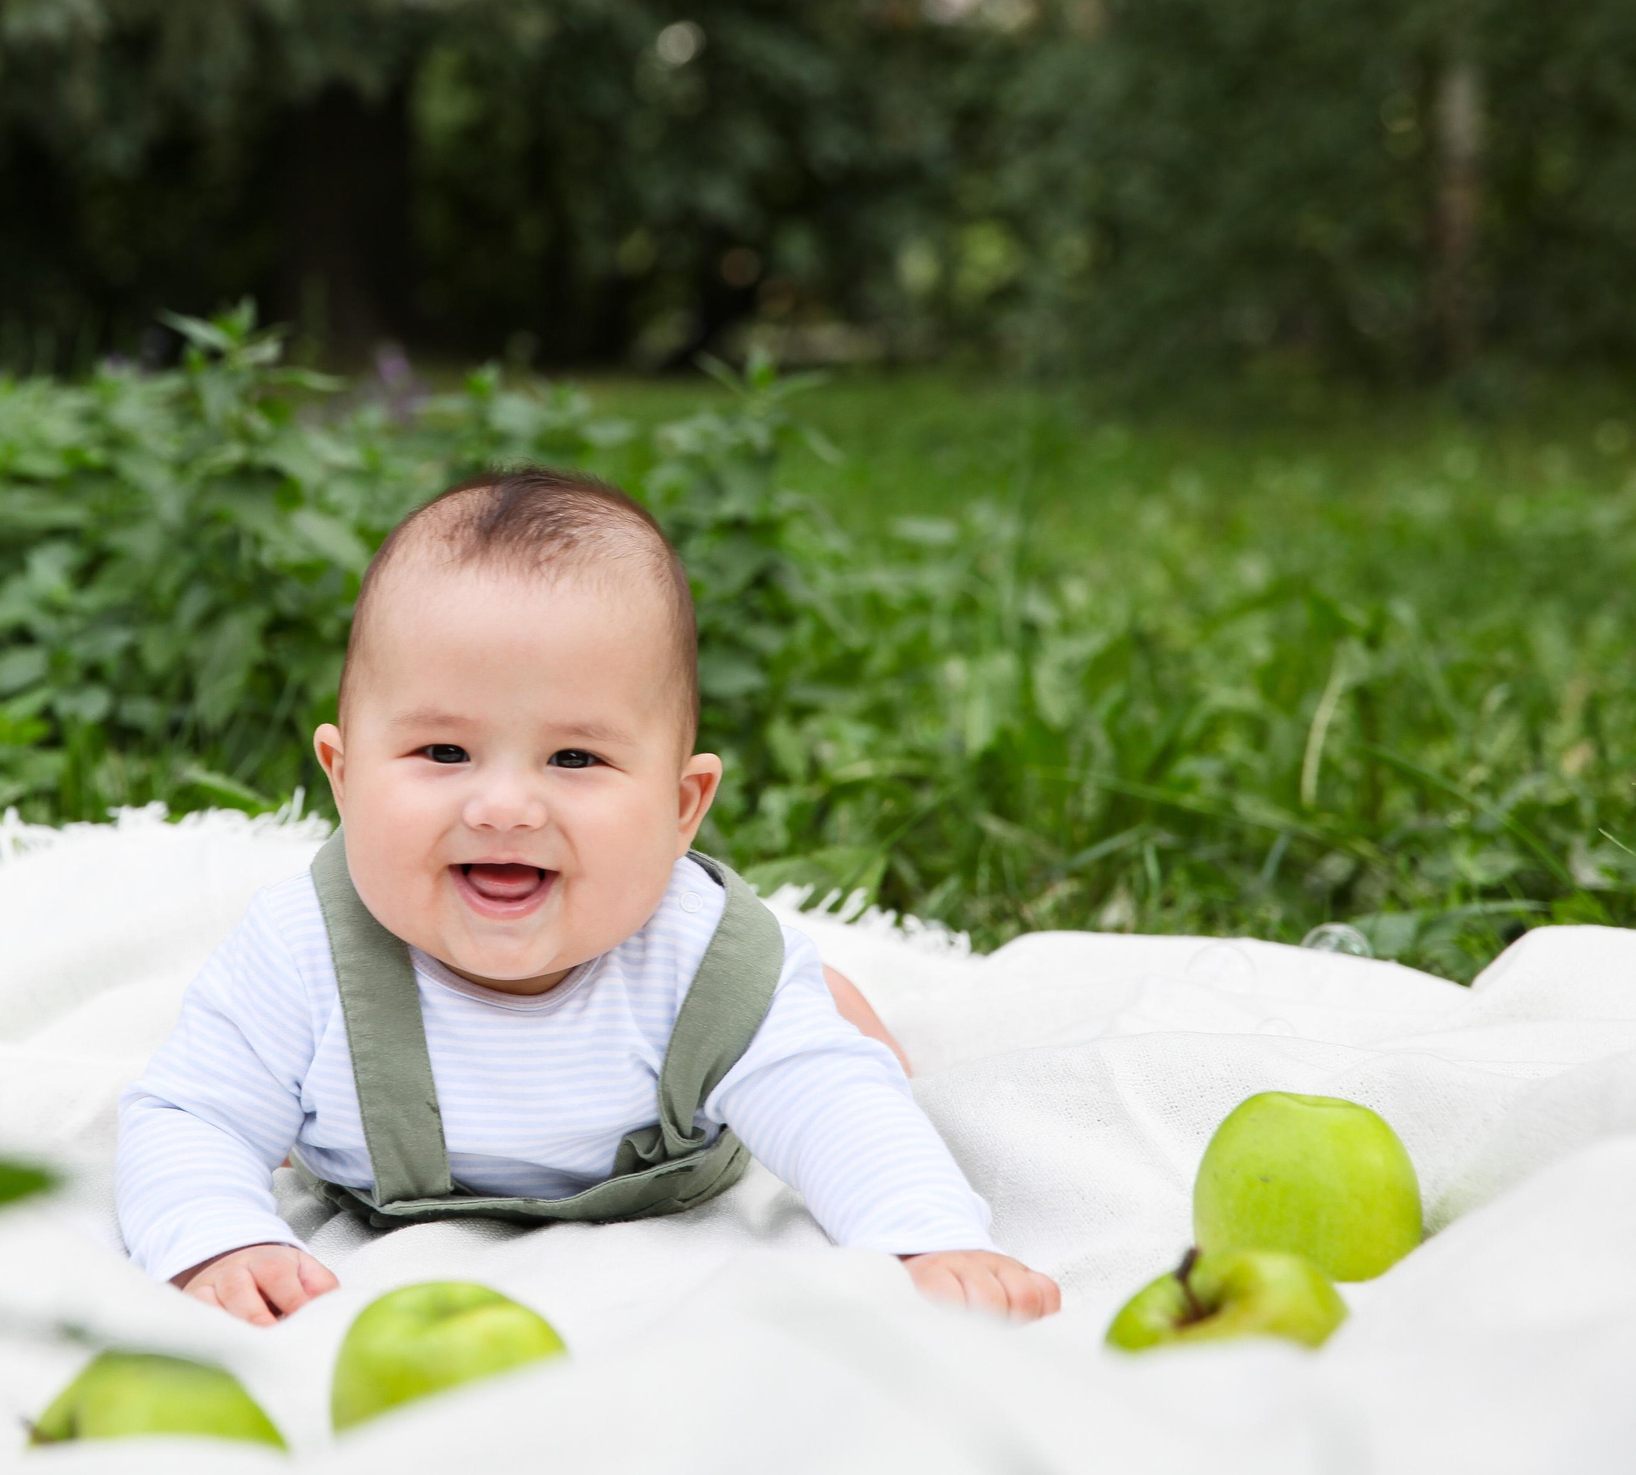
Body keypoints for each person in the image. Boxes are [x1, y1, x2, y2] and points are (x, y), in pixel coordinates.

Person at [114, 469, 1061, 1328]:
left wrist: (925, 1238)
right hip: (374, 1156)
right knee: (239, 1083)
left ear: (682, 806)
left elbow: (842, 1114)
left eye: (575, 757)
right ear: (344, 774)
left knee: (819, 1052)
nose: (504, 806)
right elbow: (188, 1116)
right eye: (443, 752)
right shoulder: (300, 955)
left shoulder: (704, 972)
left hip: (689, 1133)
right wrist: (217, 1236)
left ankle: (824, 1002)